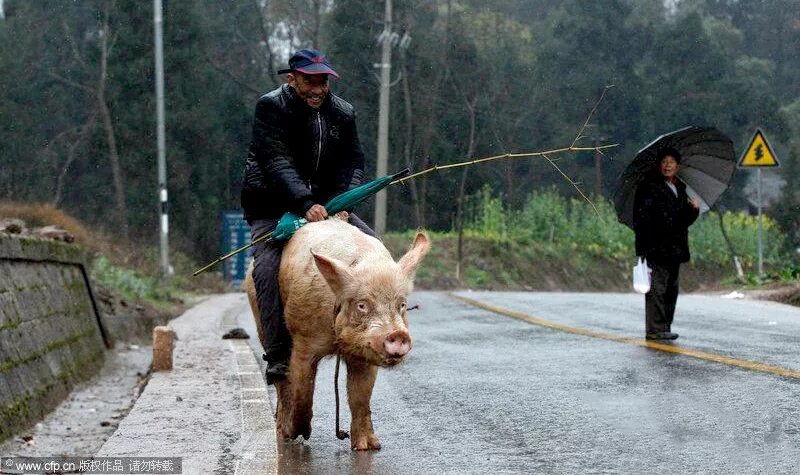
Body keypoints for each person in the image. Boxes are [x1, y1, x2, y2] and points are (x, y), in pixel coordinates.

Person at [241, 49, 377, 384]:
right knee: (269, 266)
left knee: (375, 250)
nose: (316, 88)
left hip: (328, 207)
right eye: (308, 81)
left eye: (322, 81)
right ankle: (277, 354)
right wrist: (304, 203)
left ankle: (373, 334)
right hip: (273, 205)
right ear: (292, 78)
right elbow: (275, 161)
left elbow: (354, 162)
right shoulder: (271, 107)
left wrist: (344, 203)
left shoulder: (343, 112)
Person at [633, 147, 700, 341]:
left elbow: (682, 221)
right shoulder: (648, 187)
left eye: (671, 162)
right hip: (656, 247)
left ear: (678, 166)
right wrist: (645, 246)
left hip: (675, 248)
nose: (667, 165)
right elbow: (642, 219)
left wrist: (693, 210)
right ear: (659, 164)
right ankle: (654, 329)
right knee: (657, 289)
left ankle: (665, 326)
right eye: (664, 161)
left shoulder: (679, 188)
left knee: (671, 289)